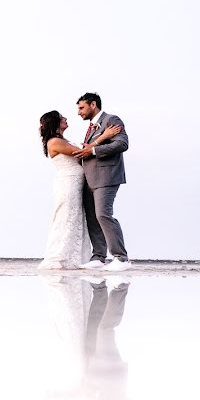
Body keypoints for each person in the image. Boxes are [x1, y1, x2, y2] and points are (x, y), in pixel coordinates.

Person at [38, 111, 122, 269]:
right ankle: (59, 258)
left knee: (76, 218)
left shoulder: (62, 140)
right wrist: (104, 136)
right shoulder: (55, 141)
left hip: (76, 184)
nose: (66, 119)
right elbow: (82, 154)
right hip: (68, 184)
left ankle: (74, 257)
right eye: (62, 118)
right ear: (55, 122)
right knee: (66, 217)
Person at [73, 93, 131, 271]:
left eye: (81, 108)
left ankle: (121, 258)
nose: (78, 112)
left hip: (107, 176)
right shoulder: (92, 127)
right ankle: (98, 256)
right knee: (93, 218)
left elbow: (122, 143)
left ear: (93, 104)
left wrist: (93, 151)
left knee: (103, 215)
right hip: (89, 178)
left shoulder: (111, 120)